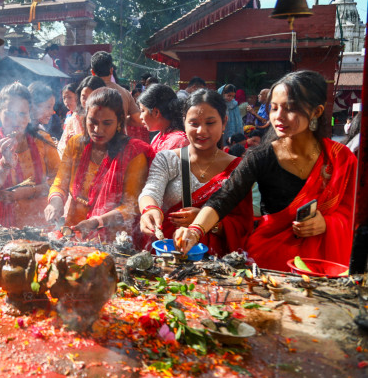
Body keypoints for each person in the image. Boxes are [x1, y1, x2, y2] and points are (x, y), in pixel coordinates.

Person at [175, 71, 357, 271]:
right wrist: (194, 231)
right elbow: (225, 197)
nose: (278, 116)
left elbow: (354, 213)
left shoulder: (340, 159)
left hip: (323, 266)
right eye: (274, 108)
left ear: (316, 111)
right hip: (270, 264)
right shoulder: (260, 156)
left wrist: (328, 224)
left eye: (290, 108)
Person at [139, 89, 252, 256]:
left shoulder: (238, 168)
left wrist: (208, 223)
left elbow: (243, 224)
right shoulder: (168, 159)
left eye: (210, 123)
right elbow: (151, 190)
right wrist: (149, 210)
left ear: (224, 122)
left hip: (218, 265)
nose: (201, 131)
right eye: (194, 123)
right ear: (184, 122)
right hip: (169, 256)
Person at [46, 88, 154, 243]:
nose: (98, 130)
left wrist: (97, 222)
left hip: (111, 240)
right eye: (93, 122)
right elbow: (60, 183)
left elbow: (131, 207)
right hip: (72, 232)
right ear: (85, 118)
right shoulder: (75, 145)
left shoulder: (133, 153)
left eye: (107, 123)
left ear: (119, 121)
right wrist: (55, 202)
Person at [0, 83, 60, 227]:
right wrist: (4, 165)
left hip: (38, 224)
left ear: (29, 115)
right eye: (9, 113)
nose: (16, 120)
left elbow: (60, 180)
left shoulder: (42, 141)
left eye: (22, 114)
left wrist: (29, 191)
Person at [89, 51, 142, 133]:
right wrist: (121, 120)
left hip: (95, 142)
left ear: (92, 72)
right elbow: (138, 119)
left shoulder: (87, 93)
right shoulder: (124, 92)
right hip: (119, 142)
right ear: (111, 71)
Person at [57, 76, 106, 159]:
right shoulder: (75, 118)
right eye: (84, 97)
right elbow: (63, 147)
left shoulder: (108, 117)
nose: (87, 102)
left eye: (91, 97)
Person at [138, 84, 188, 153]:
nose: (140, 117)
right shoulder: (158, 136)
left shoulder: (179, 141)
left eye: (142, 111)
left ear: (156, 112)